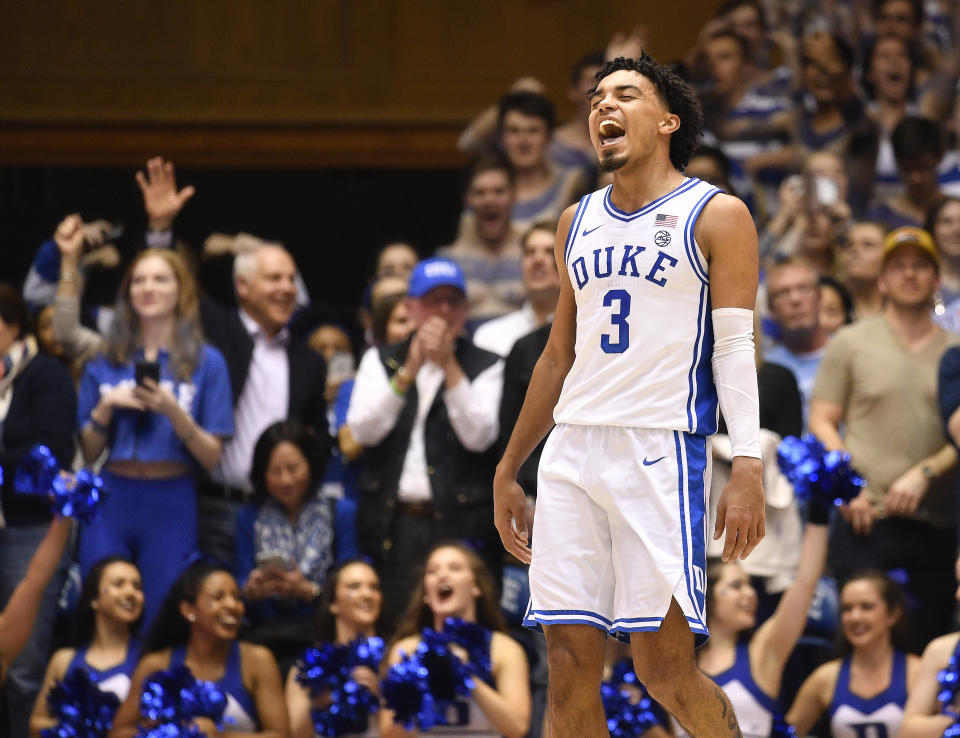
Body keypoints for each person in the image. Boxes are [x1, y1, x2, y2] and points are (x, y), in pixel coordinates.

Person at [494, 54, 765, 736]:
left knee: (664, 672)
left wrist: (750, 464)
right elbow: (559, 355)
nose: (602, 108)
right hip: (573, 451)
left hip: (660, 449)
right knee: (566, 669)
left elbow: (735, 346)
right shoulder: (574, 221)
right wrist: (509, 467)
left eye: (624, 95)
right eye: (595, 99)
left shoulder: (717, 213)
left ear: (668, 121)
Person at [810, 226, 960, 649]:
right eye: (898, 267)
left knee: (928, 643)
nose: (909, 275)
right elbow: (822, 420)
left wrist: (926, 472)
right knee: (858, 643)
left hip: (936, 519)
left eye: (920, 267)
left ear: (936, 280)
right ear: (881, 279)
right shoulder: (851, 342)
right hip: (864, 517)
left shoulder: (956, 349)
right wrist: (848, 484)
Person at [77, 249, 234, 627]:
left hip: (171, 500)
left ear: (181, 291)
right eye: (139, 280)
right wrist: (105, 409)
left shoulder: (207, 361)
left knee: (163, 615)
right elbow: (88, 448)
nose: (148, 288)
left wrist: (173, 411)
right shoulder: (105, 358)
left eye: (160, 279)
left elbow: (212, 456)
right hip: (112, 496)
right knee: (100, 608)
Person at [346, 258, 503, 634]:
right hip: (393, 525)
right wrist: (410, 370)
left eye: (453, 302)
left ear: (465, 311)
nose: (444, 312)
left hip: (458, 524)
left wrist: (449, 366)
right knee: (396, 628)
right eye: (434, 301)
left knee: (460, 634)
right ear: (411, 308)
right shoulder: (380, 360)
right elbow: (363, 431)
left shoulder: (486, 364)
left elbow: (479, 436)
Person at [199, 241, 330, 571]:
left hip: (279, 510)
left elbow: (321, 439)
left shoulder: (309, 361)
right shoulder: (216, 333)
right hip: (216, 504)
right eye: (274, 278)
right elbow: (178, 291)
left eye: (291, 279)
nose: (288, 288)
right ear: (242, 286)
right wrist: (160, 231)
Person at [0, 282, 77, 736]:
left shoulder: (43, 374)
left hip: (28, 528)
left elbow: (52, 455)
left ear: (9, 325)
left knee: (23, 668)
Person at [109, 561, 288, 737]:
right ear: (188, 610)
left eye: (237, 598)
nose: (232, 606)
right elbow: (116, 734)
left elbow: (281, 735)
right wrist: (163, 731)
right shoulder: (155, 665)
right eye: (218, 597)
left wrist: (221, 737)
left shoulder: (257, 660)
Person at [693, 511, 828, 738]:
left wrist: (819, 513)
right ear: (707, 596)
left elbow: (805, 583)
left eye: (749, 585)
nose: (750, 594)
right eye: (737, 586)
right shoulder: (679, 660)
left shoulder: (763, 653)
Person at [379, 543, 530, 738]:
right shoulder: (407, 650)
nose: (442, 575)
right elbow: (388, 732)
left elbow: (517, 727)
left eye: (455, 568)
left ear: (475, 587)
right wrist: (418, 681)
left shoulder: (503, 649)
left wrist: (467, 677)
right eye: (432, 571)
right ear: (426, 594)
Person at [235, 420, 340, 666]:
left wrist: (310, 592)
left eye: (293, 469)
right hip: (263, 634)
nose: (285, 480)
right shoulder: (249, 516)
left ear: (311, 465)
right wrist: (250, 592)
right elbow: (239, 583)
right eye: (275, 471)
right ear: (262, 474)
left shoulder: (339, 513)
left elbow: (349, 585)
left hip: (322, 632)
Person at [786, 571, 920, 737]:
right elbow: (787, 733)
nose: (855, 617)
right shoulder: (825, 677)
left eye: (867, 607)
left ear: (893, 614)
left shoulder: (918, 673)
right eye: (847, 609)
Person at [30, 558, 144, 737]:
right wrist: (78, 725)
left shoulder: (148, 658)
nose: (131, 593)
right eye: (118, 584)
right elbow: (35, 724)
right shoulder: (64, 660)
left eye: (137, 587)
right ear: (94, 599)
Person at [285, 560, 382, 738]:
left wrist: (381, 696)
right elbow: (295, 733)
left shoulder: (395, 660)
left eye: (374, 587)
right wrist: (316, 705)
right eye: (354, 586)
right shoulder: (308, 665)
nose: (367, 594)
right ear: (333, 603)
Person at [436, 156, 525, 326]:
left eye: (499, 191)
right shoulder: (448, 259)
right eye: (480, 193)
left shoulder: (534, 253)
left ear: (514, 195)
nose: (489, 200)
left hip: (525, 350)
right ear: (467, 199)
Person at [472, 222, 560, 358]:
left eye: (550, 251)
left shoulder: (587, 333)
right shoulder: (489, 337)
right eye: (529, 252)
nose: (537, 260)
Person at [764, 259, 831, 429]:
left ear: (819, 298)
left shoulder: (849, 354)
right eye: (782, 293)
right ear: (771, 309)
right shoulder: (764, 369)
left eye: (804, 289)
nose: (795, 300)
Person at [899, 558, 960, 736]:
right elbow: (908, 730)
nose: (957, 595)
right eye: (958, 583)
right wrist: (953, 719)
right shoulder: (941, 649)